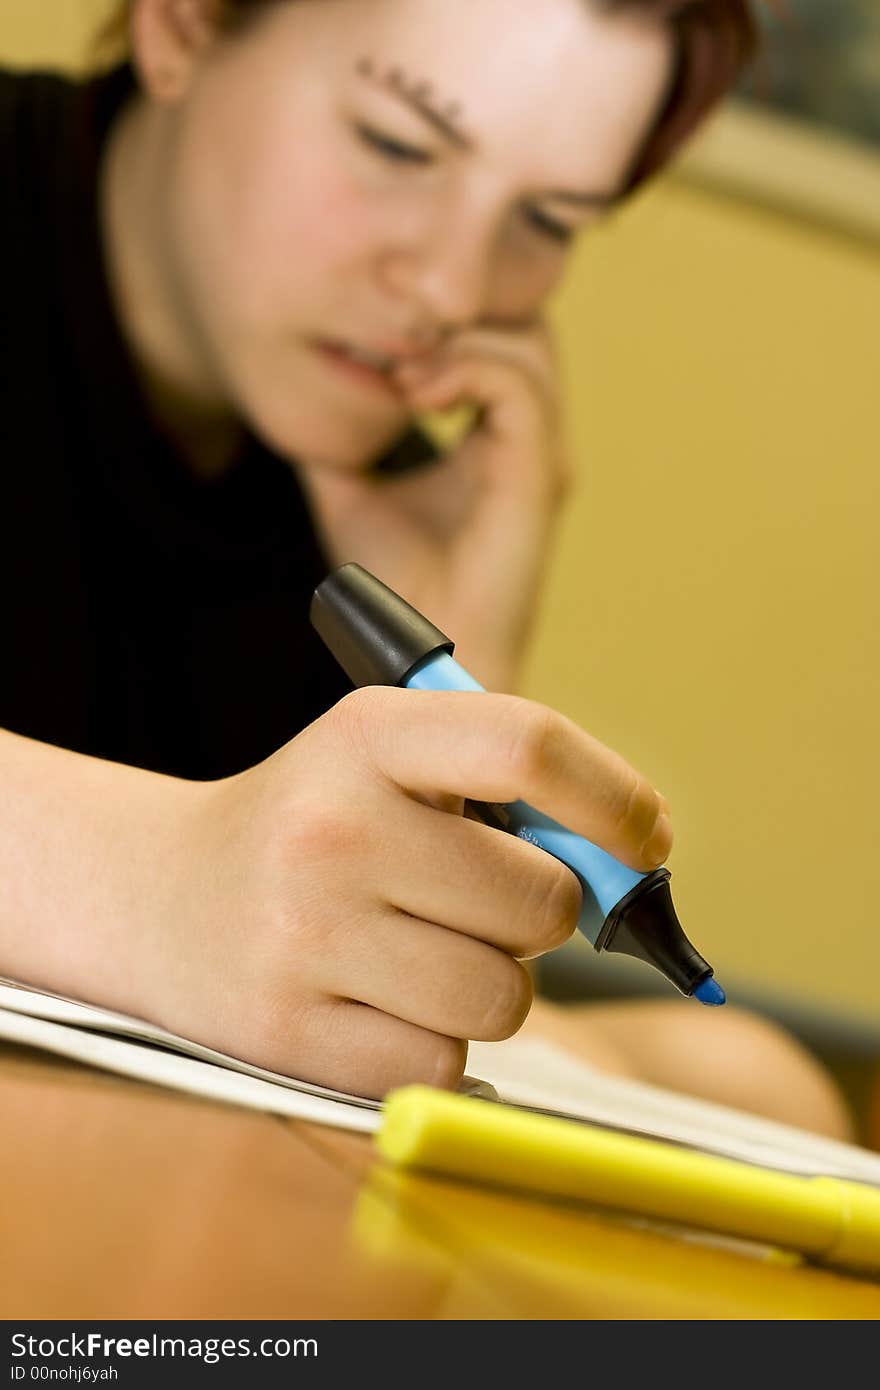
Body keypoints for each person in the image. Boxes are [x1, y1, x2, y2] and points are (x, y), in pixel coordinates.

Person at [0, 0, 853, 1139]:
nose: (453, 291)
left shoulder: (381, 487)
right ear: (183, 25)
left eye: (546, 221)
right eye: (398, 144)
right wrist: (152, 883)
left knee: (756, 1081)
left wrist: (461, 686)